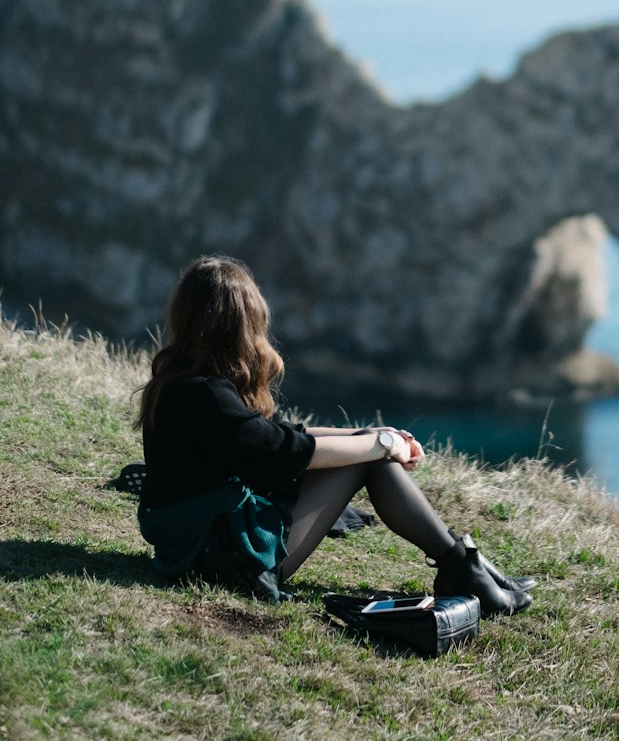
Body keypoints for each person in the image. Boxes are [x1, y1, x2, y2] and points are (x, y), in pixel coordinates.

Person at [134, 255, 532, 613]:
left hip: (198, 546)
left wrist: (369, 433)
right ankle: (463, 567)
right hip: (219, 561)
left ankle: (467, 565)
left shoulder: (182, 383)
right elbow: (280, 451)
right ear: (238, 326)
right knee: (371, 461)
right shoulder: (206, 395)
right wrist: (380, 446)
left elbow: (272, 435)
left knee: (368, 449)